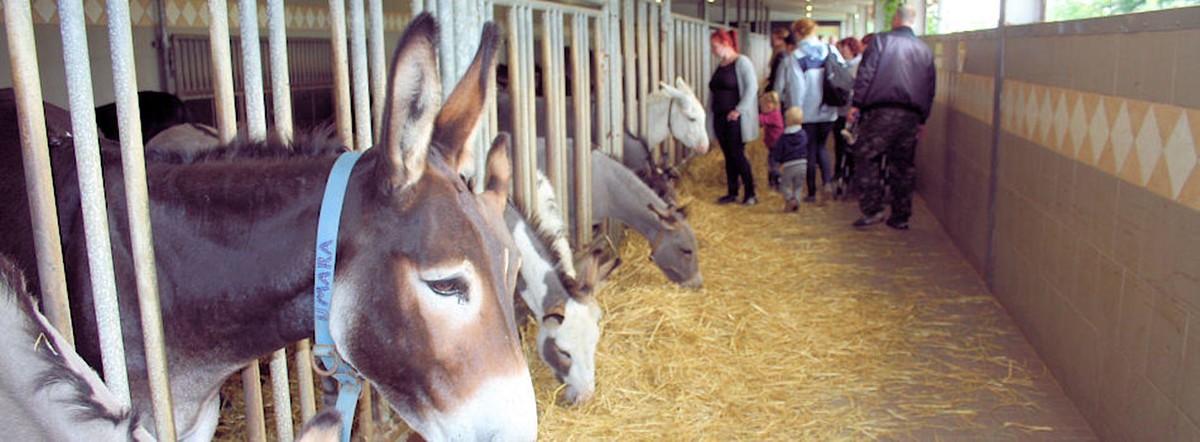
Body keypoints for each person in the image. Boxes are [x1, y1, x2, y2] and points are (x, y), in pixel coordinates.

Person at [848, 5, 936, 230]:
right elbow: (929, 88)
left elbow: (866, 73)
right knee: (903, 166)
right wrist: (922, 119)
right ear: (912, 21)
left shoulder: (880, 41)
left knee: (865, 155)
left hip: (881, 111)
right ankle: (901, 216)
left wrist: (856, 104)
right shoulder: (925, 50)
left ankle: (873, 209)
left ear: (896, 19)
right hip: (911, 116)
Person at [774, 18, 845, 205]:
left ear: (797, 33)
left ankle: (812, 192)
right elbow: (843, 75)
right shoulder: (830, 50)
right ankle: (827, 184)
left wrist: (794, 112)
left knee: (809, 151)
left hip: (807, 112)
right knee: (822, 147)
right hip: (829, 110)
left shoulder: (795, 57)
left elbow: (797, 88)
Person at [708, 29, 759, 206]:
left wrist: (739, 110)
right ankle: (732, 192)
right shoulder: (721, 65)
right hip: (720, 117)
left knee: (737, 154)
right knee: (728, 156)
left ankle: (751, 192)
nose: (713, 50)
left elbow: (752, 88)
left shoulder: (742, 62)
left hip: (735, 119)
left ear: (725, 44)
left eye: (715, 46)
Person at [832, 37, 865, 199]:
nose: (841, 52)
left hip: (849, 112)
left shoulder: (856, 67)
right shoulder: (850, 65)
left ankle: (845, 173)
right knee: (841, 143)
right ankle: (842, 171)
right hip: (844, 111)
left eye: (843, 48)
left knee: (844, 143)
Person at [771, 107, 809, 212]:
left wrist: (777, 162)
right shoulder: (803, 134)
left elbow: (778, 151)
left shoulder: (783, 137)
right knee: (798, 186)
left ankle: (790, 199)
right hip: (802, 164)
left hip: (789, 165)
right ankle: (796, 202)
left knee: (784, 184)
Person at [758, 91, 784, 190]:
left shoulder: (775, 115)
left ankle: (779, 180)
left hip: (776, 145)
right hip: (773, 144)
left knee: (773, 163)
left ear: (774, 105)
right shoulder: (773, 114)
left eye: (767, 104)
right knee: (771, 163)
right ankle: (772, 184)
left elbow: (761, 119)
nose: (764, 107)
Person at [763, 27, 795, 94]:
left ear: (782, 40)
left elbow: (777, 78)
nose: (773, 42)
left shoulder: (781, 56)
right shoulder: (783, 55)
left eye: (775, 39)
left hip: (776, 90)